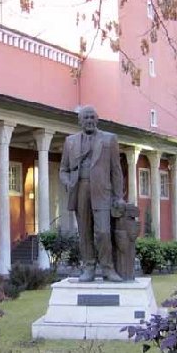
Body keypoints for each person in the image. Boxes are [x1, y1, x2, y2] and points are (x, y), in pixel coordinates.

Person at [59, 106, 124, 282]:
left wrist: (118, 196)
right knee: (85, 232)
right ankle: (88, 267)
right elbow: (63, 170)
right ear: (80, 121)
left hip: (102, 192)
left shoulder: (109, 139)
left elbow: (116, 170)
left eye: (91, 117)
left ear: (97, 119)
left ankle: (108, 268)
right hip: (80, 189)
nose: (89, 120)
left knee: (103, 232)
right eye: (85, 117)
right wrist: (68, 182)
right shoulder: (70, 141)